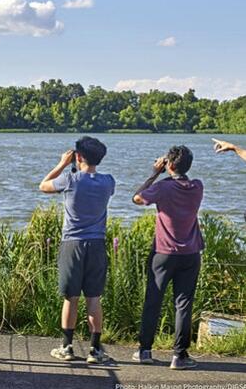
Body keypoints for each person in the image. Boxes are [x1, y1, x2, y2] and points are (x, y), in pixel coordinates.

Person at [39, 136, 115, 364]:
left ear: (78, 156)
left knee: (70, 297)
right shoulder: (108, 182)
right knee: (94, 297)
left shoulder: (70, 179)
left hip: (72, 243)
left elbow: (43, 185)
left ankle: (67, 346)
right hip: (97, 244)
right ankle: (95, 349)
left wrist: (62, 163)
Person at [131, 146, 204, 370]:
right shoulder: (197, 186)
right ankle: (179, 355)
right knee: (183, 304)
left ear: (169, 165)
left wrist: (155, 173)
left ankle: (145, 350)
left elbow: (137, 198)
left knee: (153, 301)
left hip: (163, 254)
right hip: (190, 253)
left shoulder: (163, 187)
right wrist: (169, 170)